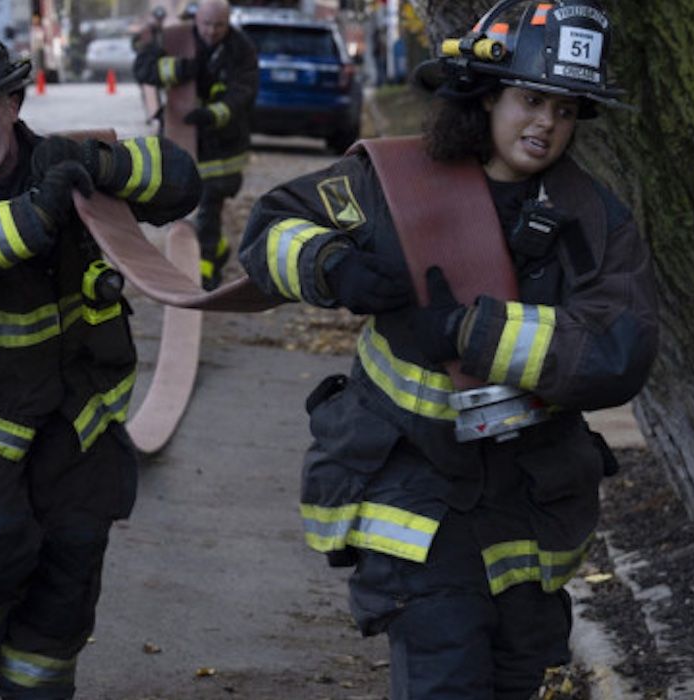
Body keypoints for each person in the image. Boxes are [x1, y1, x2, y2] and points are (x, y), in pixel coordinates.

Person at [236, 1, 659, 697]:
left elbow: (621, 348)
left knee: (519, 676)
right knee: (445, 675)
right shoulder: (396, 185)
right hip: (414, 493)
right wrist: (331, 266)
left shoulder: (593, 219)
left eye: (565, 109)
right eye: (531, 100)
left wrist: (470, 333)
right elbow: (274, 228)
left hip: (529, 501)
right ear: (487, 94)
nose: (547, 124)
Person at [0, 23, 201, 699]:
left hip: (78, 416)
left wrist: (107, 169)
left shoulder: (65, 157)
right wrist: (35, 214)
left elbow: (181, 181)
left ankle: (39, 685)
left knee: (73, 560)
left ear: (14, 104)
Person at [132, 0, 259, 291]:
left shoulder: (241, 49)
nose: (212, 32)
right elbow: (143, 67)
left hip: (222, 148)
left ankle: (207, 271)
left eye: (219, 26)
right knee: (181, 203)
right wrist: (178, 69)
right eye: (206, 24)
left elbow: (244, 92)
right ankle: (215, 249)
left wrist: (213, 115)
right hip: (181, 138)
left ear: (228, 23)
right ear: (195, 19)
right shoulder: (176, 37)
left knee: (209, 206)